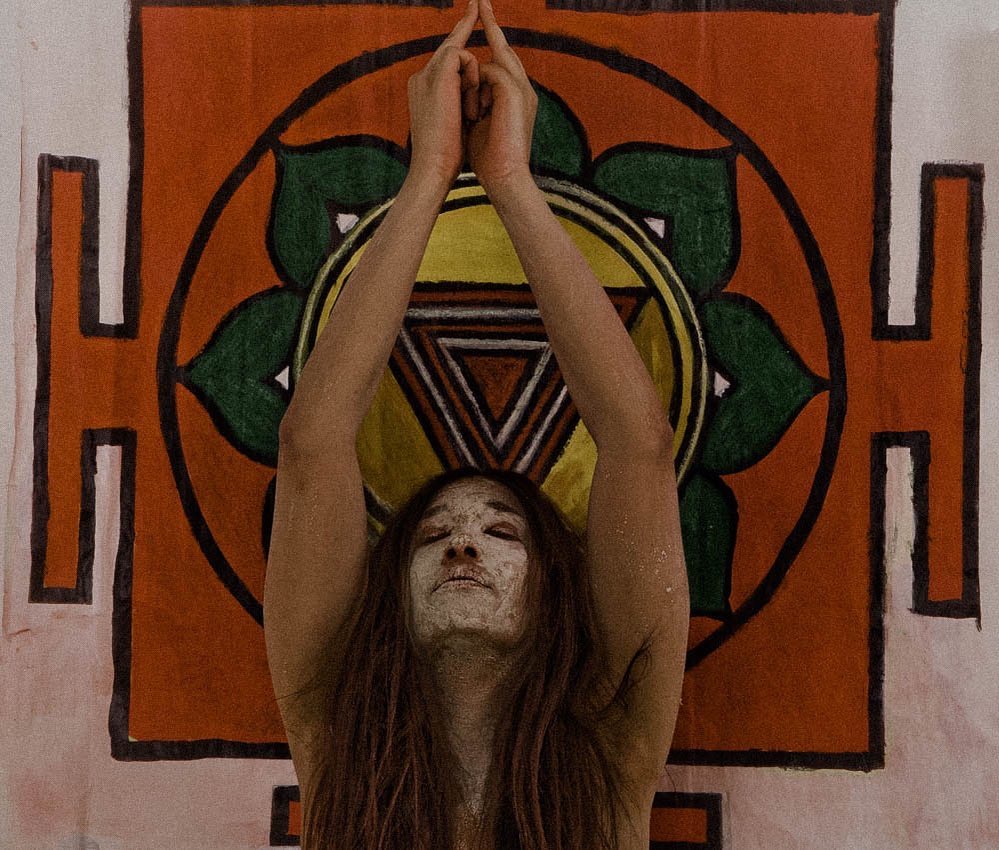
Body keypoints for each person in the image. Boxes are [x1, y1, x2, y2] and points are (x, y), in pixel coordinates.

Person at [263, 0, 689, 847]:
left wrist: (509, 185)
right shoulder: (334, 734)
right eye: (431, 537)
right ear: (390, 598)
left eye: (501, 531)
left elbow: (638, 449)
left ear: (555, 594)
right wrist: (427, 181)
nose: (462, 545)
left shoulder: (613, 744)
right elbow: (311, 450)